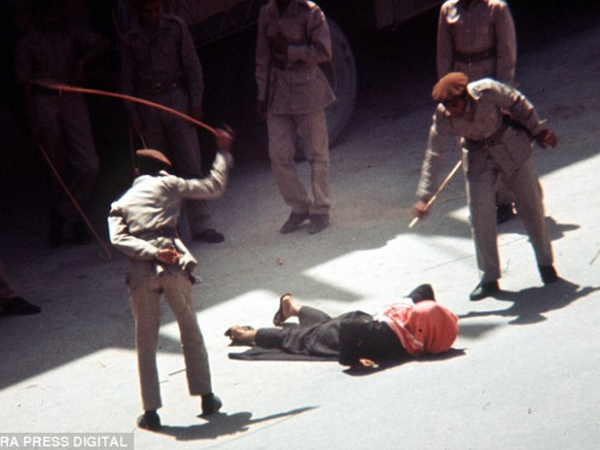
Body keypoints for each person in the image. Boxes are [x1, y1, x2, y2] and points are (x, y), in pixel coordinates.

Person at [107, 127, 234, 431]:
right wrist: (223, 151)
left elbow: (118, 240)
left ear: (136, 173)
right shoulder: (168, 183)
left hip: (141, 271)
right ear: (162, 170)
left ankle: (150, 413)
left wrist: (150, 252)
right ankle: (206, 397)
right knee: (190, 329)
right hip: (172, 262)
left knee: (145, 341)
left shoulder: (119, 203)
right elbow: (213, 186)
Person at [412, 72, 559, 301]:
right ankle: (489, 278)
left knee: (531, 207)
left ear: (465, 96)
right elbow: (434, 153)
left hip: (510, 148)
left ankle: (546, 265)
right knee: (480, 218)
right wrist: (424, 196)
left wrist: (538, 130)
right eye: (447, 106)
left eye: (455, 104)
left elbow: (518, 103)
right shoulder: (443, 115)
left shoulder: (487, 91)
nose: (452, 110)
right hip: (478, 159)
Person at [120, 0, 224, 244]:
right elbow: (127, 80)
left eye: (155, 9)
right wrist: (133, 115)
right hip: (148, 105)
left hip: (177, 99)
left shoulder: (175, 27)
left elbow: (192, 67)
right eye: (146, 10)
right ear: (137, 10)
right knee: (159, 172)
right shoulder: (129, 39)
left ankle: (201, 225)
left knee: (191, 165)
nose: (152, 15)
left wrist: (196, 103)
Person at [15, 0, 109, 247]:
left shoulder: (70, 32)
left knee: (89, 164)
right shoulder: (28, 42)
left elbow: (104, 42)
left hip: (71, 96)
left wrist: (82, 61)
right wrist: (32, 121)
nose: (52, 18)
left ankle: (63, 213)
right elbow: (25, 85)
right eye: (47, 14)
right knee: (57, 166)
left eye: (55, 13)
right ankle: (75, 221)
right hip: (44, 100)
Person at [225, 284, 459, 370]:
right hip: (344, 334)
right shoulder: (391, 336)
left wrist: (429, 311)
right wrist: (353, 360)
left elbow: (424, 289)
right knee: (296, 338)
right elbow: (347, 329)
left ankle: (293, 309)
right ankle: (246, 335)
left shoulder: (407, 310)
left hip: (359, 320)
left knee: (322, 323)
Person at [255, 0, 336, 235]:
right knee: (278, 155)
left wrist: (290, 50)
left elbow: (325, 52)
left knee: (317, 153)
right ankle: (299, 208)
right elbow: (262, 57)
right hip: (278, 90)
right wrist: (261, 95)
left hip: (306, 87)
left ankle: (321, 210)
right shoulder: (267, 13)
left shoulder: (311, 12)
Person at [436, 0, 518, 224]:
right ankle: (481, 202)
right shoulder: (448, 10)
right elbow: (444, 55)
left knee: (498, 139)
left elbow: (506, 52)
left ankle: (504, 201)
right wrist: (448, 92)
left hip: (489, 78)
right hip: (463, 84)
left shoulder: (496, 8)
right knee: (469, 144)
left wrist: (503, 91)